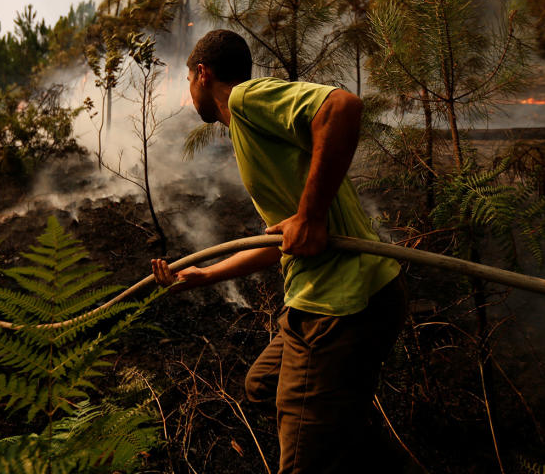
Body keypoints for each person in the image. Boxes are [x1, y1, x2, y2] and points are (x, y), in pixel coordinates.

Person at [151, 29, 407, 474]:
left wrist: (310, 214)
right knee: (262, 386)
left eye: (187, 81)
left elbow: (342, 106)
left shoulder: (246, 100)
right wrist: (207, 275)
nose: (188, 93)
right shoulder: (251, 132)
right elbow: (282, 242)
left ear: (201, 73)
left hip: (336, 305)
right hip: (364, 291)